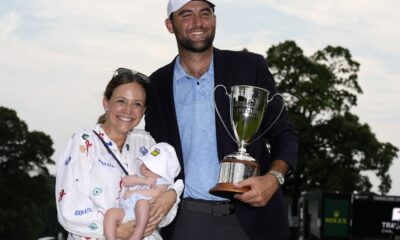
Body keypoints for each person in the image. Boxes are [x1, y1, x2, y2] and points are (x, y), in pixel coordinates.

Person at [144, 0, 299, 240]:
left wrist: (273, 178)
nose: (198, 22)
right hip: (184, 222)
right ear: (170, 25)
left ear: (214, 19)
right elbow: (152, 154)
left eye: (205, 13)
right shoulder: (156, 85)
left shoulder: (250, 67)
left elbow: (284, 133)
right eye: (186, 15)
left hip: (251, 221)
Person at [56, 68, 183, 240]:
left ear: (144, 110)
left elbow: (164, 206)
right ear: (106, 103)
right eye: (121, 101)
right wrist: (113, 229)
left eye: (137, 104)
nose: (128, 111)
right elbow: (69, 209)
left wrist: (170, 197)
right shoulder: (83, 143)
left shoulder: (147, 143)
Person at [104, 142, 181, 240]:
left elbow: (157, 193)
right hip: (127, 211)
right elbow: (125, 181)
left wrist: (134, 193)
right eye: (145, 163)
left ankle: (138, 234)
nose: (146, 166)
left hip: (143, 214)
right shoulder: (141, 177)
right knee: (111, 213)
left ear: (164, 173)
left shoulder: (162, 182)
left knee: (142, 203)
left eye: (153, 166)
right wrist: (142, 180)